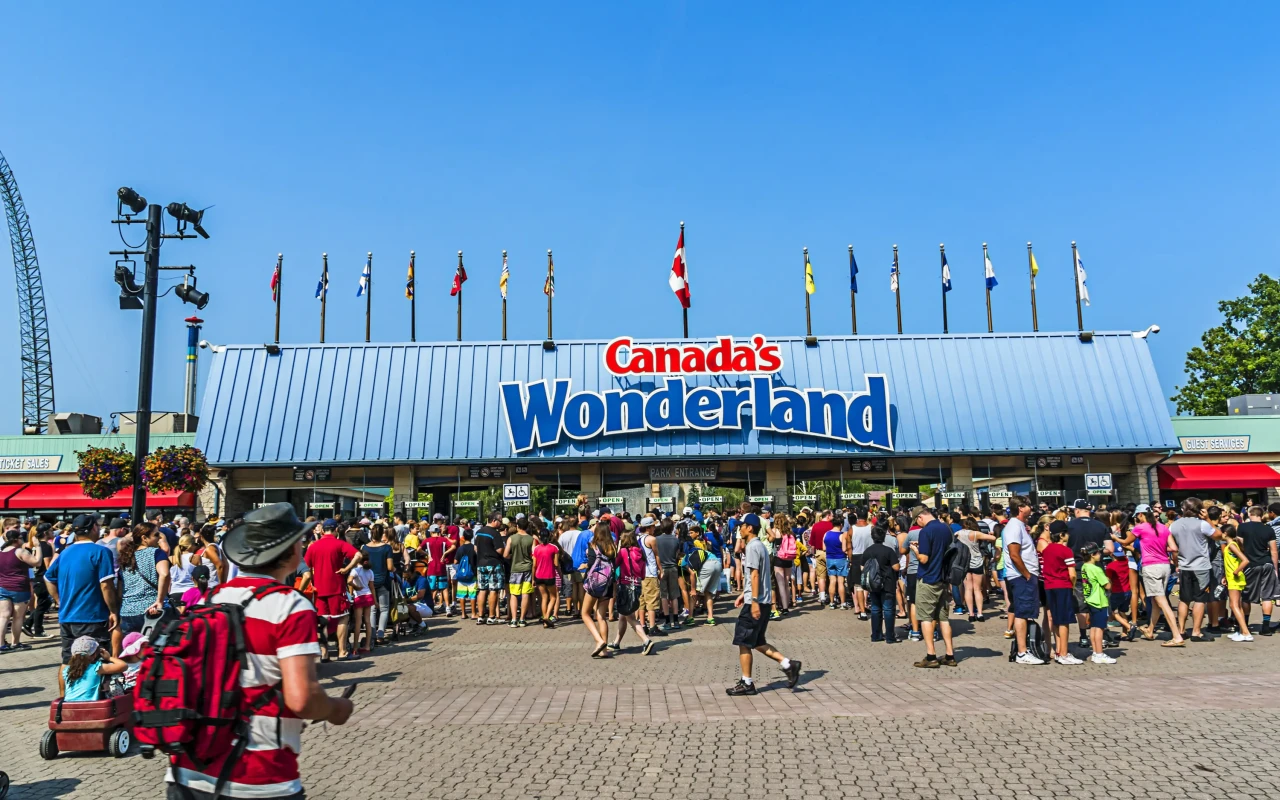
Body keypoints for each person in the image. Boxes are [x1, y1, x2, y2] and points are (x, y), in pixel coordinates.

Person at [166, 503, 354, 800]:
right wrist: (335, 709)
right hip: (257, 774)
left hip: (189, 768)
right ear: (291, 551)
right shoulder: (290, 605)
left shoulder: (210, 598)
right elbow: (302, 699)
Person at [726, 513, 802, 695]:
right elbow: (757, 576)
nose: (739, 529)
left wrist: (753, 601)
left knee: (744, 641)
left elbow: (754, 575)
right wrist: (744, 594)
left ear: (750, 528)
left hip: (757, 601)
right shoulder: (760, 546)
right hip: (764, 600)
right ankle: (788, 664)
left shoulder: (753, 547)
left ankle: (747, 682)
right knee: (757, 641)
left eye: (742, 526)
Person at [44, 514, 118, 665]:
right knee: (95, 664)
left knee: (67, 662)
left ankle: (66, 683)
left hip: (67, 616)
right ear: (94, 528)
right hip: (92, 617)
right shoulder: (101, 552)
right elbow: (106, 585)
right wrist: (113, 611)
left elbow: (48, 577)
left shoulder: (65, 552)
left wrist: (59, 600)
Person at [303, 518, 362, 662]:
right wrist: (346, 569)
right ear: (336, 530)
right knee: (343, 617)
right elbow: (358, 555)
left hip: (318, 588)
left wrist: (311, 582)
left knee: (322, 620)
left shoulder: (313, 546)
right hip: (336, 587)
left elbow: (306, 567)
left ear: (323, 531)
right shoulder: (340, 543)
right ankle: (342, 652)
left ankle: (324, 654)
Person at [908, 507, 957, 668]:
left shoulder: (926, 531)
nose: (918, 525)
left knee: (926, 618)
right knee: (944, 619)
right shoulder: (946, 528)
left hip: (928, 578)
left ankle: (931, 656)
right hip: (943, 579)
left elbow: (924, 558)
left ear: (920, 517)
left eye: (917, 521)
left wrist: (915, 550)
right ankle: (950, 655)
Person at [1168, 497, 1221, 642]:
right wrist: (1208, 519)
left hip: (1184, 565)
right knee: (1200, 599)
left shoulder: (1174, 525)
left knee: (1184, 599)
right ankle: (1196, 632)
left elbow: (1173, 546)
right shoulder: (1202, 524)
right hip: (1201, 566)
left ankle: (1181, 630)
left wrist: (1176, 562)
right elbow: (1218, 535)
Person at [1132, 505, 1185, 646]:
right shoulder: (1164, 528)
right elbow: (1174, 548)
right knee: (1156, 600)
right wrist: (1160, 547)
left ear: (1141, 514)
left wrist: (1115, 538)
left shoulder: (1140, 528)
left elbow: (1127, 542)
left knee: (1161, 601)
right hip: (1165, 566)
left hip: (1151, 566)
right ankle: (1150, 630)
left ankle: (1176, 636)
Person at [1002, 497, 1043, 665]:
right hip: (1020, 577)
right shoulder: (1013, 526)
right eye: (1028, 505)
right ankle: (1022, 652)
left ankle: (1024, 649)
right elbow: (1014, 554)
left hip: (1024, 576)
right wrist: (1026, 574)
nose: (1031, 508)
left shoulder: (1020, 526)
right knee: (1022, 612)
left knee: (1026, 612)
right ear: (1020, 508)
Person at [117, 523, 171, 646]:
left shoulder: (126, 557)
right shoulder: (157, 553)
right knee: (155, 650)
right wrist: (160, 601)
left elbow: (120, 588)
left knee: (132, 651)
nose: (159, 538)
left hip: (128, 612)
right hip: (151, 610)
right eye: (156, 535)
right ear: (144, 538)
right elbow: (164, 574)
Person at [609, 527, 655, 655]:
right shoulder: (640, 552)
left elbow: (615, 564)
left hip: (625, 586)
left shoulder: (623, 551)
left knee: (629, 617)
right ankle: (616, 642)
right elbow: (643, 575)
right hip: (637, 585)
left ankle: (646, 640)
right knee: (622, 616)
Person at [1040, 521, 1080, 665]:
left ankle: (1058, 651)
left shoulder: (1047, 549)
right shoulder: (1066, 551)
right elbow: (1072, 574)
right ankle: (1063, 653)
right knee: (1064, 621)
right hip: (1062, 586)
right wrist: (1072, 585)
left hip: (1049, 586)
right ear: (1062, 535)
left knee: (1056, 619)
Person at [1237, 505, 1278, 636]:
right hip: (1266, 563)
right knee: (1267, 596)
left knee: (1246, 596)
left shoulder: (1242, 527)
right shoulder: (1269, 529)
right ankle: (1265, 626)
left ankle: (1245, 624)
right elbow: (1274, 551)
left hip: (1250, 564)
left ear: (1250, 514)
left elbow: (1240, 544)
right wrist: (1275, 568)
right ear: (1261, 515)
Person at [859, 526, 900, 643]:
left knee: (875, 609)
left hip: (873, 584)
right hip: (887, 583)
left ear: (872, 537)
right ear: (883, 537)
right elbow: (896, 567)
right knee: (888, 610)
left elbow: (862, 567)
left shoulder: (868, 551)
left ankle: (876, 635)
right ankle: (890, 637)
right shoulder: (888, 551)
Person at [582, 522, 617, 657]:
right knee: (602, 616)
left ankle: (599, 640)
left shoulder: (593, 545)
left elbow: (591, 564)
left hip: (595, 584)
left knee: (585, 613)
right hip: (608, 584)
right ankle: (604, 650)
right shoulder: (612, 547)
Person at [58, 635, 128, 702]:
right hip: (90, 706)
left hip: (68, 705)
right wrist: (109, 658)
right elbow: (123, 665)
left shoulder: (67, 670)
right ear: (94, 655)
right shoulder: (96, 668)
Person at [1079, 543, 1116, 664]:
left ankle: (1095, 652)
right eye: (1098, 552)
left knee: (1093, 627)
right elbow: (1107, 585)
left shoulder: (1084, 566)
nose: (1100, 554)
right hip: (1099, 601)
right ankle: (1099, 653)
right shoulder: (1096, 569)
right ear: (1092, 555)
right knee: (1100, 628)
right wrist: (1108, 579)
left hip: (1090, 599)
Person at [360, 527, 396, 643]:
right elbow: (390, 567)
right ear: (382, 534)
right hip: (383, 581)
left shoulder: (364, 548)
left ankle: (372, 635)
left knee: (372, 610)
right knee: (384, 609)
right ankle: (380, 635)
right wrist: (395, 569)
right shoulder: (387, 548)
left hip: (368, 581)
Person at [956, 518, 996, 622]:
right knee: (977, 589)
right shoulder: (976, 534)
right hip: (976, 561)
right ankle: (980, 613)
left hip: (964, 562)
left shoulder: (959, 533)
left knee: (968, 589)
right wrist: (991, 534)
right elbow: (993, 538)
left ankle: (971, 614)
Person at [1221, 524, 1253, 642]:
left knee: (1233, 605)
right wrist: (1226, 576)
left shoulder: (1231, 545)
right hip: (1232, 578)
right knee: (1237, 605)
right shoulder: (1232, 545)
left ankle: (1246, 633)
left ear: (1225, 534)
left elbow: (1245, 560)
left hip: (1235, 578)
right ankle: (1241, 631)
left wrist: (1236, 571)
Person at [474, 513, 505, 625]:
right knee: (493, 589)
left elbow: (475, 548)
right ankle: (491, 616)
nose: (501, 523)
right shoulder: (495, 533)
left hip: (481, 563)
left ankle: (480, 616)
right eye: (500, 521)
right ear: (494, 520)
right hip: (493, 563)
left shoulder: (478, 532)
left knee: (482, 590)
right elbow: (500, 550)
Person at [504, 518, 535, 627]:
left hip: (515, 569)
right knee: (525, 593)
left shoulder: (511, 538)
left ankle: (513, 619)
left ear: (517, 526)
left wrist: (513, 556)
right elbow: (534, 555)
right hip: (528, 568)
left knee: (514, 594)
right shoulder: (531, 539)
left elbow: (505, 554)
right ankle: (522, 619)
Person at [531, 529, 560, 627]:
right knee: (553, 597)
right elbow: (556, 564)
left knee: (544, 597)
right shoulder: (554, 548)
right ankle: (547, 617)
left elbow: (534, 565)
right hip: (550, 575)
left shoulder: (536, 549)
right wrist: (560, 574)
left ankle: (545, 620)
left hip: (539, 575)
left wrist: (533, 579)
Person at [349, 561, 375, 654]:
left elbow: (349, 581)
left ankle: (355, 647)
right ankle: (367, 646)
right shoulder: (370, 571)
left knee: (358, 622)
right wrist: (375, 601)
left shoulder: (355, 570)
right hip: (368, 596)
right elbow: (372, 587)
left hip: (359, 597)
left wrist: (355, 588)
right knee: (367, 621)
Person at [824, 513, 848, 610]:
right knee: (841, 582)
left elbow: (824, 547)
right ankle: (843, 603)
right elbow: (844, 549)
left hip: (829, 558)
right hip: (840, 558)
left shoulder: (826, 534)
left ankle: (831, 602)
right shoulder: (842, 535)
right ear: (841, 524)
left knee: (832, 581)